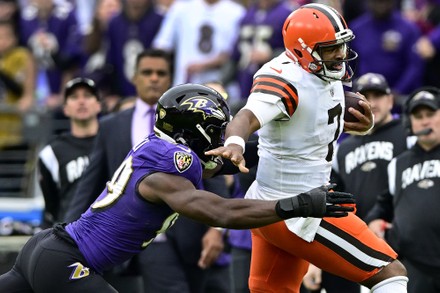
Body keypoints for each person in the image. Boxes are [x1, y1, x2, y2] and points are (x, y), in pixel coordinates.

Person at [0, 83, 356, 292]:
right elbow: (222, 212)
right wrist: (298, 204)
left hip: (46, 249)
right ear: (196, 128)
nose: (222, 136)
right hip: (66, 260)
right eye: (218, 128)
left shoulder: (164, 151)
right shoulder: (170, 167)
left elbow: (222, 162)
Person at [206, 3, 409, 292]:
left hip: (270, 208)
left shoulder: (322, 70)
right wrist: (235, 143)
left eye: (341, 45)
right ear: (303, 51)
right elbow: (247, 116)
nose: (339, 54)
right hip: (299, 209)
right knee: (390, 274)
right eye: (330, 49)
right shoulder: (283, 78)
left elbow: (317, 117)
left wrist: (361, 125)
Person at [302, 73, 414, 293]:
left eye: (378, 95)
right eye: (366, 97)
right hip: (360, 244)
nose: (372, 103)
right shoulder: (342, 148)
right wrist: (314, 259)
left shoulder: (408, 135)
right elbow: (332, 203)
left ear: (390, 100)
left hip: (402, 239)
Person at [365, 86, 440, 293]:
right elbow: (384, 202)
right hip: (415, 266)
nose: (425, 121)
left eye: (431, 114)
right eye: (418, 116)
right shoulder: (397, 164)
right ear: (410, 123)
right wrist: (374, 220)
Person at [37, 77, 101, 228]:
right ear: (65, 108)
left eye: (87, 96)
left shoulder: (114, 142)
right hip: (71, 234)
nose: (81, 101)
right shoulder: (51, 152)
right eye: (74, 97)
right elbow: (51, 204)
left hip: (113, 233)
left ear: (98, 105)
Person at [349, 0, 424, 111]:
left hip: (400, 101)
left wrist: (397, 92)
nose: (381, 4)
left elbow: (415, 66)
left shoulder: (409, 29)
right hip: (365, 97)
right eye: (377, 1)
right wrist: (358, 91)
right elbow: (349, 66)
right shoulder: (356, 28)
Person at [152, 0, 245, 86]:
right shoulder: (181, 7)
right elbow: (162, 45)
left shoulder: (237, 12)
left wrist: (205, 65)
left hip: (221, 86)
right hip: (183, 84)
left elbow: (235, 54)